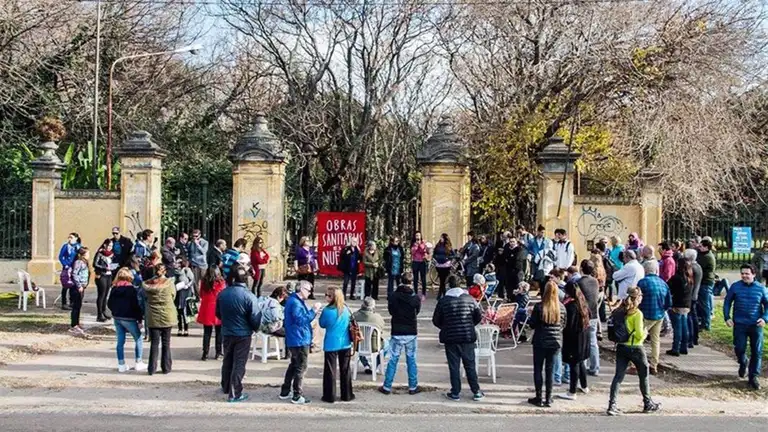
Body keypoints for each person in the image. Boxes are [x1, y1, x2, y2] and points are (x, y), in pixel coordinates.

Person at [607, 287, 661, 416]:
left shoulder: (619, 311)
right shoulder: (637, 313)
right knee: (644, 374)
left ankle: (612, 404)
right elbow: (638, 334)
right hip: (635, 347)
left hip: (621, 346)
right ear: (638, 297)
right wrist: (645, 332)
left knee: (618, 376)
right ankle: (647, 402)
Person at [432, 276, 484, 402]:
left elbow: (436, 320)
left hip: (450, 337)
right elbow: (478, 316)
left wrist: (446, 327)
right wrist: (470, 324)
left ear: (449, 285)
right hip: (467, 336)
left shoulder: (444, 301)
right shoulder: (469, 299)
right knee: (470, 365)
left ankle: (455, 392)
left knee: (454, 366)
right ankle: (476, 391)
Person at [216, 264, 262, 402]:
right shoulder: (249, 296)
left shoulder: (222, 294)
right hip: (243, 333)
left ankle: (225, 386)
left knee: (228, 360)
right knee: (239, 362)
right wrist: (254, 328)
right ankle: (235, 392)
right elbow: (255, 317)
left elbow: (218, 313)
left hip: (228, 331)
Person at [724, 264, 768, 390]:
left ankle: (753, 377)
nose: (744, 276)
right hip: (739, 324)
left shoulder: (761, 288)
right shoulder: (735, 287)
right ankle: (743, 362)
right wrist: (727, 317)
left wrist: (765, 318)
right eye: (742, 273)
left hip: (756, 325)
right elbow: (727, 302)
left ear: (753, 274)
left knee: (757, 351)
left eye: (747, 273)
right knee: (739, 348)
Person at [380, 272, 422, 395]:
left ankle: (387, 386)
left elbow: (391, 311)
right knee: (411, 359)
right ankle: (413, 386)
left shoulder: (393, 296)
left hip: (397, 330)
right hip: (411, 331)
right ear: (411, 282)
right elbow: (417, 312)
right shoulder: (415, 298)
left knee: (393, 359)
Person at [281, 280, 322, 404]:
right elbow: (301, 320)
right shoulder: (295, 303)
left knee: (294, 364)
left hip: (296, 337)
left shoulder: (295, 301)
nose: (310, 294)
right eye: (309, 290)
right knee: (301, 367)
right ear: (302, 289)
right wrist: (313, 311)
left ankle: (285, 391)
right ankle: (297, 395)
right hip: (299, 339)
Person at [527, 281, 566, 408]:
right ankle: (549, 398)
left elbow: (532, 324)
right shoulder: (561, 307)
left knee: (538, 369)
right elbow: (563, 325)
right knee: (550, 370)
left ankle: (539, 396)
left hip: (540, 340)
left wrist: (530, 316)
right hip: (555, 342)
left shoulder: (539, 306)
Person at [318, 287, 354, 403]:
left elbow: (322, 324)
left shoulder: (327, 311)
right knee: (345, 369)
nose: (326, 297)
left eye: (328, 295)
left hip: (331, 342)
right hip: (345, 342)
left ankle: (329, 396)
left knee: (330, 371)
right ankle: (347, 394)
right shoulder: (346, 309)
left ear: (332, 297)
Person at [107, 268, 146, 372]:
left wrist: (115, 311)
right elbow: (136, 305)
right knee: (138, 338)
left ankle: (121, 364)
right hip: (129, 317)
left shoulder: (114, 289)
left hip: (117, 317)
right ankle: (138, 362)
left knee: (120, 341)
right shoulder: (132, 289)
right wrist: (139, 319)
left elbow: (109, 303)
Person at [636, 260, 671, 375]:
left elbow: (637, 299)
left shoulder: (642, 282)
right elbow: (668, 302)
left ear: (645, 270)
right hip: (659, 315)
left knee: (638, 339)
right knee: (655, 340)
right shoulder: (663, 283)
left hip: (646, 314)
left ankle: (636, 364)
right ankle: (653, 365)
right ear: (656, 270)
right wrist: (663, 309)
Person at [558, 282, 591, 400]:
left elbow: (568, 325)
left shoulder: (571, 306)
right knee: (581, 361)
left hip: (574, 338)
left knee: (574, 364)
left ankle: (572, 391)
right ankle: (584, 385)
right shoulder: (583, 302)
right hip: (584, 336)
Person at [143, 264, 176, 375]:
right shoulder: (169, 284)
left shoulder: (148, 284)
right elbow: (173, 296)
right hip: (167, 315)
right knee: (166, 343)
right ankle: (166, 368)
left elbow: (144, 297)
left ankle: (151, 368)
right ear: (165, 271)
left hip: (153, 316)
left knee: (154, 344)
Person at [578, 260, 601, 376]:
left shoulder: (579, 283)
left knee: (582, 341)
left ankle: (583, 366)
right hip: (594, 314)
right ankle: (595, 367)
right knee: (593, 342)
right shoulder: (595, 281)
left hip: (583, 315)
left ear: (581, 269)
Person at [666, 258, 693, 356]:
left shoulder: (677, 278)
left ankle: (675, 348)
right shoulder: (690, 277)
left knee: (677, 327)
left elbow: (668, 287)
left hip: (677, 304)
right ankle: (684, 346)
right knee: (684, 326)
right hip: (686, 304)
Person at [352, 297, 386, 375]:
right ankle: (376, 365)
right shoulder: (377, 317)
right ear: (373, 306)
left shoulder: (354, 316)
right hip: (374, 346)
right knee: (386, 345)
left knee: (360, 342)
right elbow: (381, 330)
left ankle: (366, 365)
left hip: (358, 345)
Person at [197, 266, 225, 360]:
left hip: (207, 307)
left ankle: (205, 353)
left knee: (207, 332)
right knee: (219, 332)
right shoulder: (221, 283)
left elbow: (200, 294)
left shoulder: (204, 282)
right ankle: (218, 352)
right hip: (218, 307)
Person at [93, 239, 115, 322]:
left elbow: (112, 262)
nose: (110, 248)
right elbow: (95, 264)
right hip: (101, 275)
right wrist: (104, 268)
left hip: (109, 275)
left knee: (106, 294)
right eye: (109, 246)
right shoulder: (100, 253)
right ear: (105, 245)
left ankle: (104, 311)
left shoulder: (112, 254)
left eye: (111, 246)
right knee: (101, 295)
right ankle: (99, 315)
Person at [696, 238, 717, 331]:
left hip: (706, 282)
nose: (698, 247)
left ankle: (706, 323)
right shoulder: (704, 254)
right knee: (703, 303)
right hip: (704, 281)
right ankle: (704, 322)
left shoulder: (707, 257)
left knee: (705, 304)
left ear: (706, 247)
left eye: (701, 246)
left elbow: (699, 266)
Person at [58, 232, 82, 310]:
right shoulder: (66, 246)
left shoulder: (78, 246)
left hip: (75, 268)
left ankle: (72, 302)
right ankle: (64, 303)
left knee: (73, 285)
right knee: (65, 286)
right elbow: (61, 257)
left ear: (76, 238)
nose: (69, 239)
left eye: (71, 237)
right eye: (69, 237)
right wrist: (65, 264)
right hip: (67, 268)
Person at [69, 247, 90, 336]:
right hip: (77, 287)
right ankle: (74, 324)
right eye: (88, 253)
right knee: (76, 306)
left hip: (82, 286)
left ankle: (77, 323)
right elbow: (74, 274)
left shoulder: (84, 262)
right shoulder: (79, 262)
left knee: (78, 305)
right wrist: (79, 285)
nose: (89, 255)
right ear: (83, 254)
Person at [686, 248, 703, 349]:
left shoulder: (692, 268)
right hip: (695, 294)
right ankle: (695, 337)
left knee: (690, 317)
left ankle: (692, 338)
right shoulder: (698, 266)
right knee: (694, 316)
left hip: (691, 295)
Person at [529, 225, 555, 290]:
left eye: (543, 232)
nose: (542, 234)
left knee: (544, 278)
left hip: (544, 262)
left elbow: (549, 251)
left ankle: (543, 291)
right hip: (535, 261)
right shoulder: (532, 241)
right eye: (541, 232)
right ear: (537, 232)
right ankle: (540, 289)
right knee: (536, 278)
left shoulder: (547, 241)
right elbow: (529, 250)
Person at [504, 237, 528, 303]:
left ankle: (518, 300)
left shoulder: (520, 249)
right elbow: (505, 259)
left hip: (517, 271)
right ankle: (510, 299)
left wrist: (510, 259)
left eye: (513, 241)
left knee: (518, 285)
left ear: (516, 242)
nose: (512, 243)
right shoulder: (507, 249)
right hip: (509, 271)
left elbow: (517, 259)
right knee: (509, 286)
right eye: (510, 242)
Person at [174, 258, 194, 337]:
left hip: (186, 291)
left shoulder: (186, 270)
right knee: (179, 311)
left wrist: (187, 285)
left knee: (185, 311)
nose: (176, 264)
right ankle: (179, 328)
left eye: (178, 262)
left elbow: (192, 280)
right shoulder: (175, 271)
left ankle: (186, 329)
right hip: (178, 291)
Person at [188, 229, 209, 298]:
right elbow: (190, 253)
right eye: (193, 236)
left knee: (203, 281)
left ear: (199, 235)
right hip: (194, 264)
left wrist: (197, 244)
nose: (194, 238)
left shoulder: (205, 242)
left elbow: (204, 252)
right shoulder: (190, 243)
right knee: (195, 281)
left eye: (196, 236)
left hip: (202, 264)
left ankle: (204, 295)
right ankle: (198, 296)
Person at [433, 233, 454, 299]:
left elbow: (453, 255)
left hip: (446, 265)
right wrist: (435, 258)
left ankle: (441, 294)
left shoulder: (448, 246)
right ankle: (443, 294)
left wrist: (448, 258)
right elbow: (434, 253)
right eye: (440, 237)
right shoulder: (438, 245)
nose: (440, 239)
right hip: (439, 265)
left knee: (443, 280)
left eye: (442, 237)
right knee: (442, 280)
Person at [411, 231, 429, 298]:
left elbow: (424, 251)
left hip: (422, 262)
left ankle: (423, 293)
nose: (418, 237)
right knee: (415, 278)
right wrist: (416, 246)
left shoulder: (423, 243)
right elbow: (412, 252)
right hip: (415, 262)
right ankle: (415, 292)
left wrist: (420, 245)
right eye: (416, 235)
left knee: (423, 278)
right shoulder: (413, 243)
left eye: (419, 235)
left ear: (421, 236)